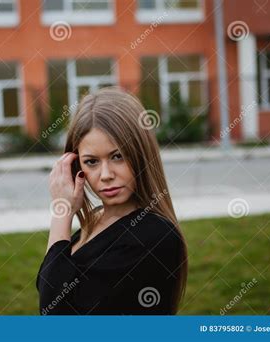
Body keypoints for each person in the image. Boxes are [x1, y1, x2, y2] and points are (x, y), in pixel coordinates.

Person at [36, 86, 188, 315]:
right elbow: (50, 278)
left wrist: (62, 211)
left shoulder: (154, 235)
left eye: (118, 156)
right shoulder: (95, 218)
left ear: (141, 154)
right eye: (91, 162)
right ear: (76, 166)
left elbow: (55, 310)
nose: (105, 174)